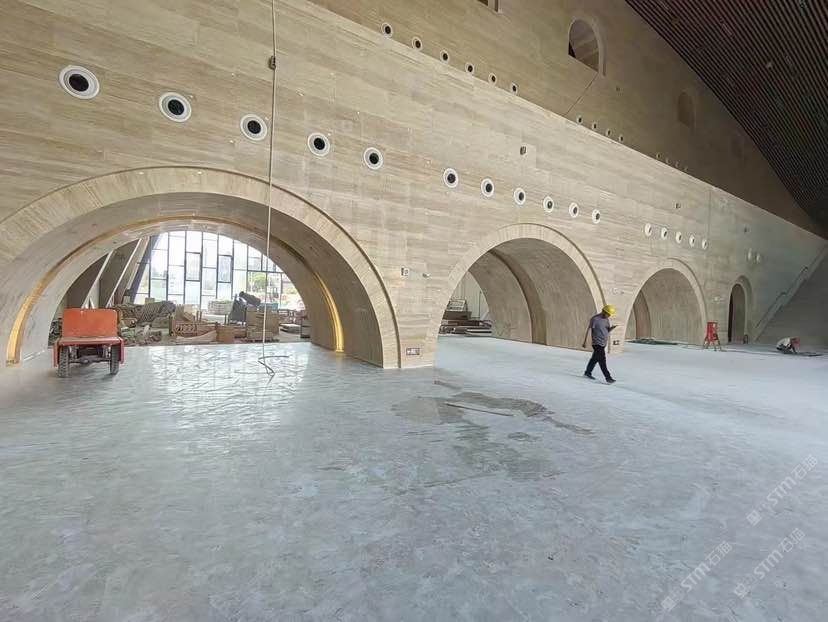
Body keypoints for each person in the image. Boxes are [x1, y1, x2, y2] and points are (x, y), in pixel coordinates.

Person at [582, 304, 618, 383]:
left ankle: (587, 373)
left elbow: (607, 330)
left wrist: (611, 328)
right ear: (603, 311)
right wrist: (585, 341)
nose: (608, 316)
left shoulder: (606, 319)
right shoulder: (595, 319)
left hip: (603, 343)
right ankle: (608, 378)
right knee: (602, 360)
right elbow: (589, 330)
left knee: (594, 359)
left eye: (610, 315)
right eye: (608, 314)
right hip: (597, 343)